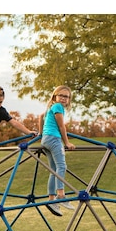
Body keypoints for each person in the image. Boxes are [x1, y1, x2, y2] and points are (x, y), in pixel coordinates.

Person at [39, 85, 76, 216]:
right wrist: (67, 142)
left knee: (53, 170)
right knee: (62, 166)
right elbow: (61, 126)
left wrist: (41, 134)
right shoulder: (58, 107)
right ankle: (61, 196)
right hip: (54, 139)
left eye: (66, 97)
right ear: (55, 96)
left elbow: (41, 117)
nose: (64, 99)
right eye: (61, 95)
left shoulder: (50, 107)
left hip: (46, 139)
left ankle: (51, 200)